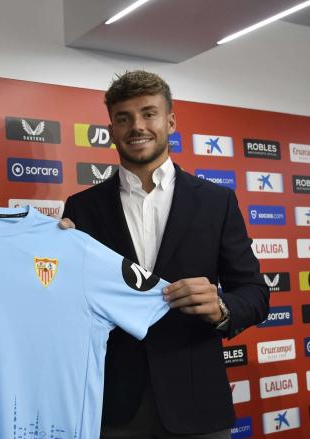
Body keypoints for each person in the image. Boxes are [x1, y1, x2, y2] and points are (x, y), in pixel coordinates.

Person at [62, 70, 269, 438]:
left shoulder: (216, 202)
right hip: (112, 405)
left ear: (170, 121)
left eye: (148, 113)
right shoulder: (81, 209)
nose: (136, 126)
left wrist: (222, 307)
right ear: (111, 129)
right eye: (123, 118)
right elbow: (67, 303)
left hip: (197, 404)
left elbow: (254, 293)